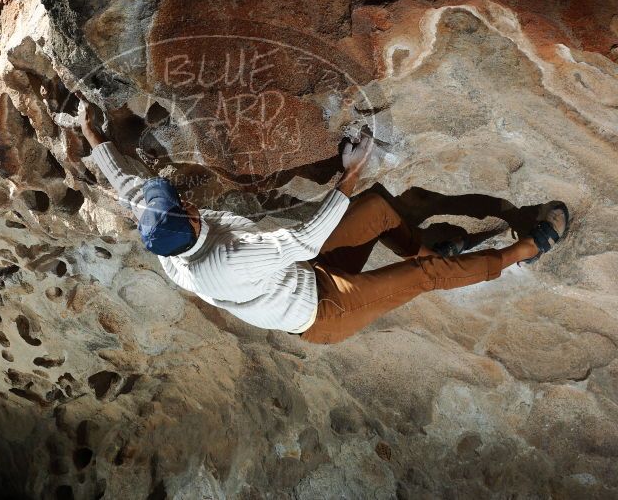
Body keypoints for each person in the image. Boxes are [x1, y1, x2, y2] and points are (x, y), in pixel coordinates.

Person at [80, 104, 569, 344]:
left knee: (378, 207)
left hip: (306, 272)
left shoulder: (167, 243)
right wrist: (349, 171)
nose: (182, 196)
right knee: (424, 280)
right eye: (180, 202)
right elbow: (304, 237)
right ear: (186, 221)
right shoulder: (225, 259)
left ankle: (427, 252)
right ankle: (525, 250)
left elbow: (131, 190)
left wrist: (94, 139)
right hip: (324, 313)